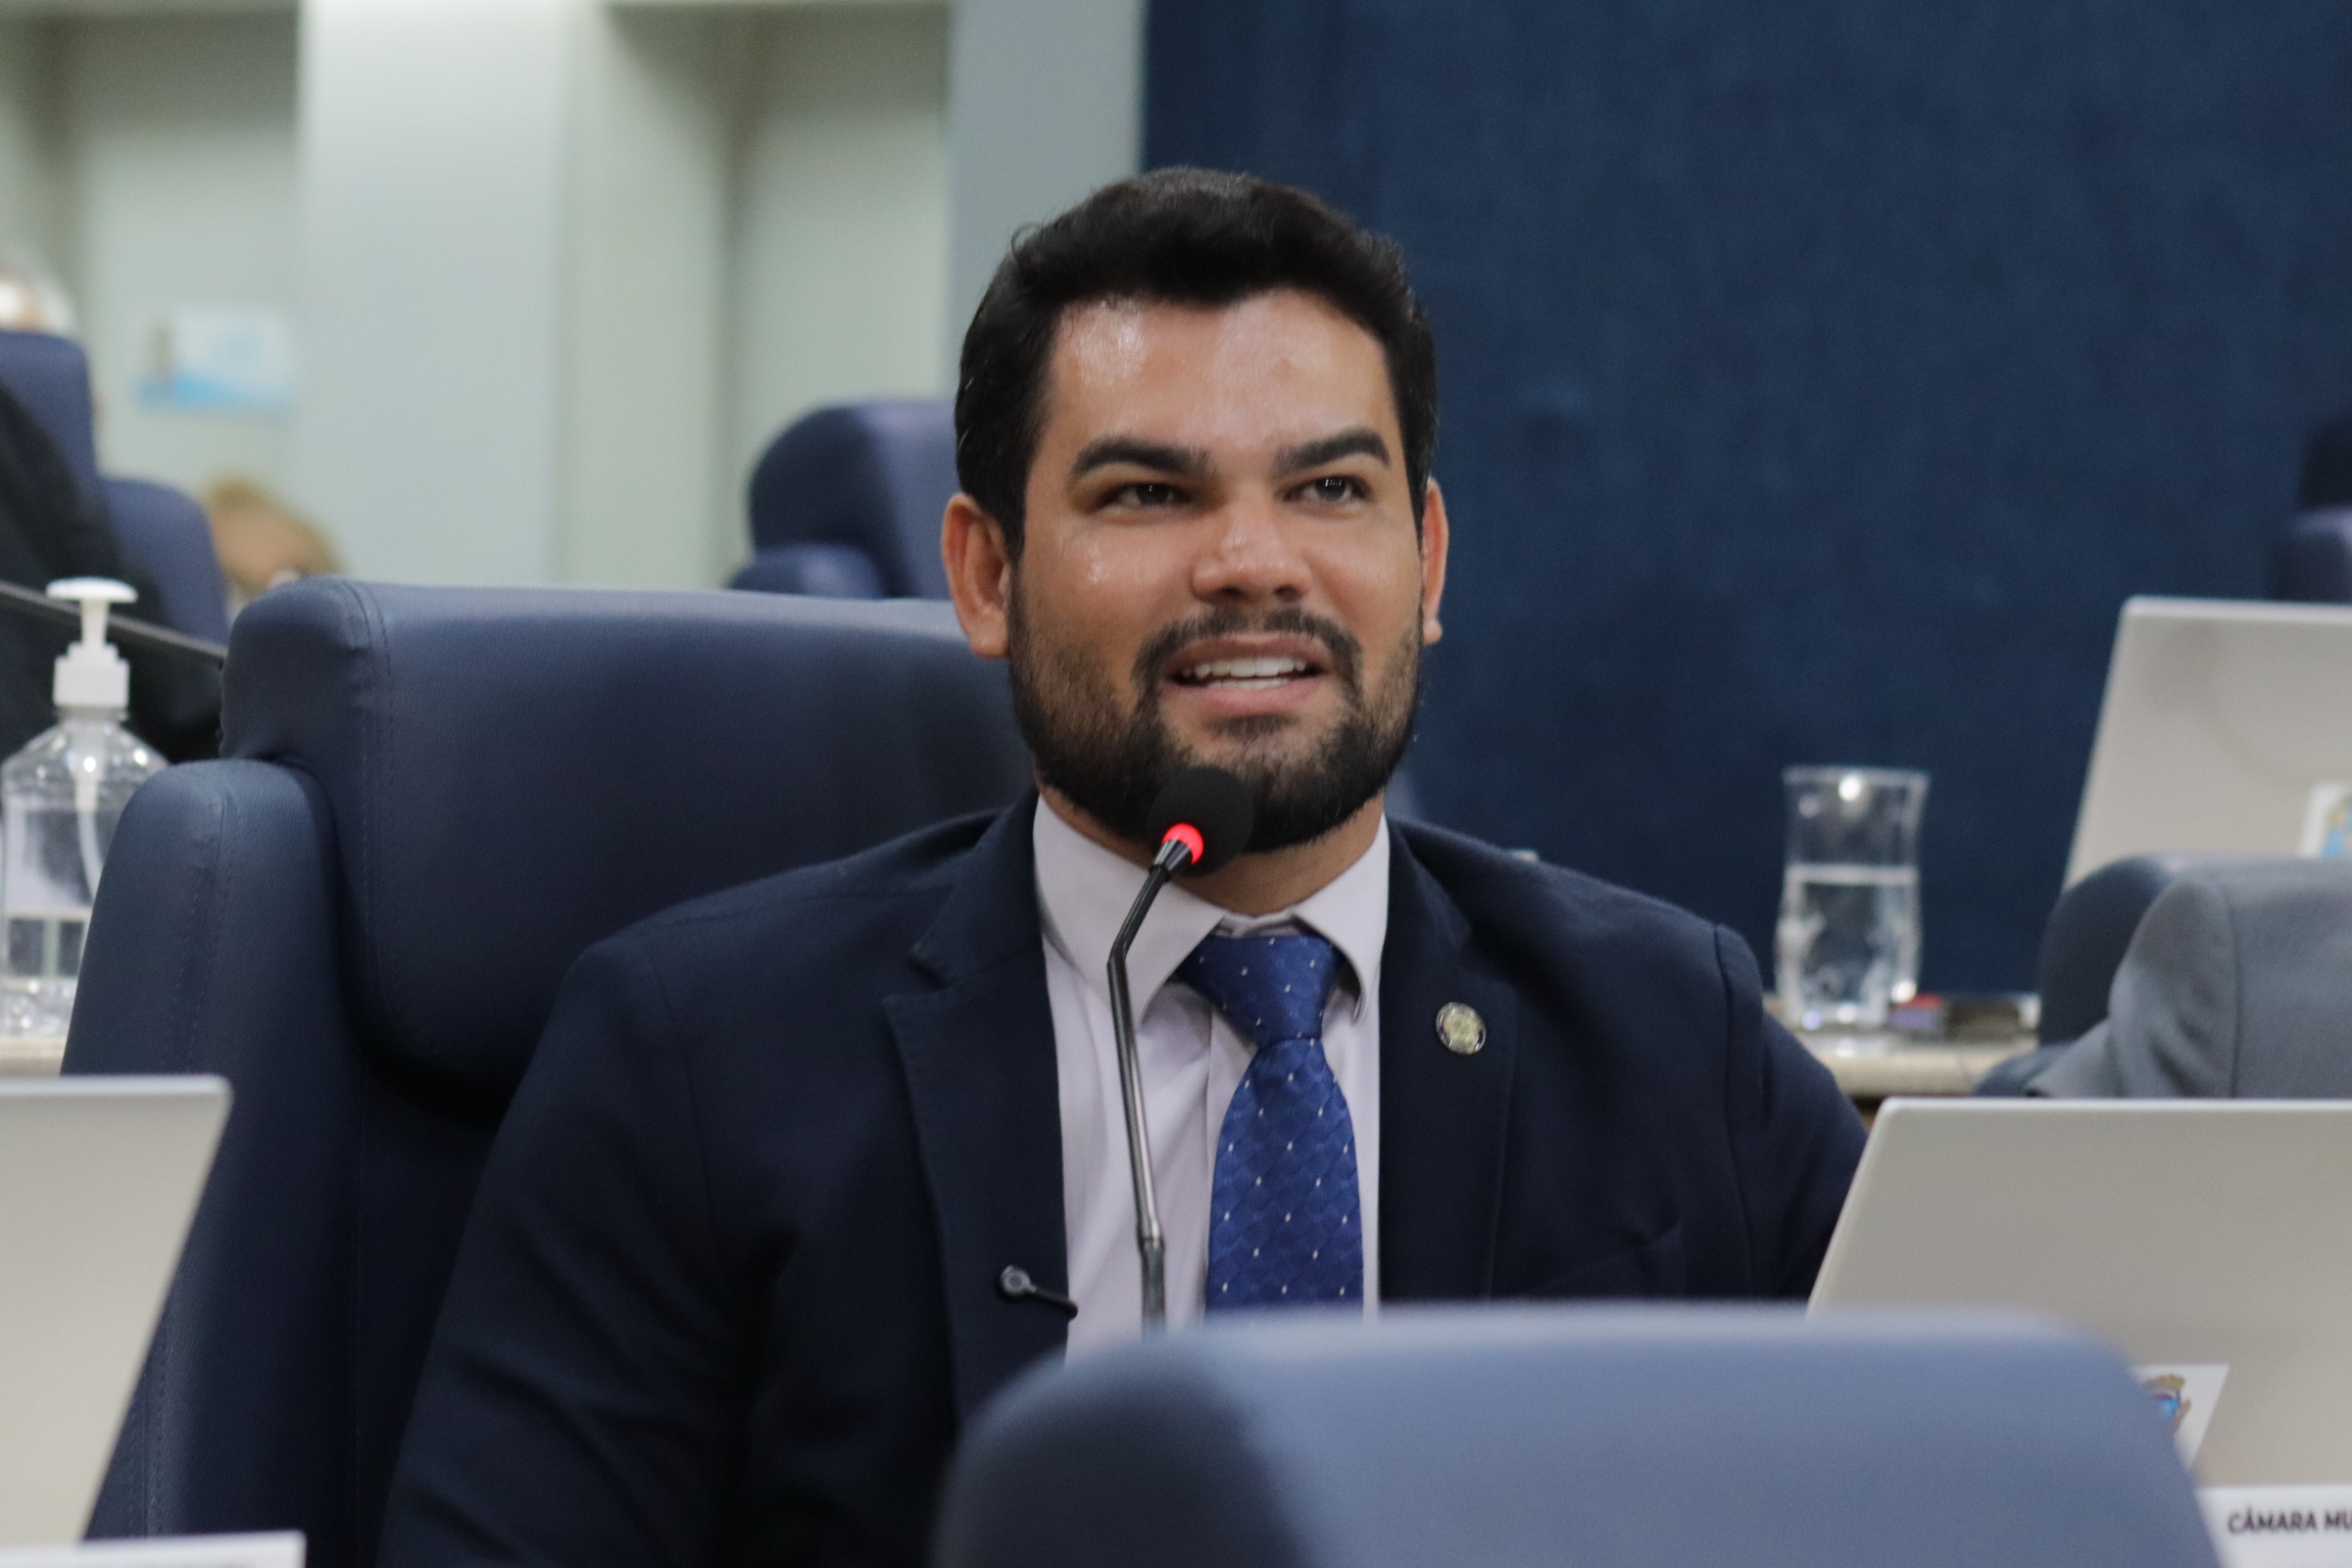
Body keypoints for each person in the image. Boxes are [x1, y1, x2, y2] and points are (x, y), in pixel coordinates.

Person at [380, 169, 1865, 1568]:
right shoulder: (698, 1059)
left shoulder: (1676, 1040)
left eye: (1329, 488)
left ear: (1428, 561)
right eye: (1150, 494)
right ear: (987, 576)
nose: (1254, 562)